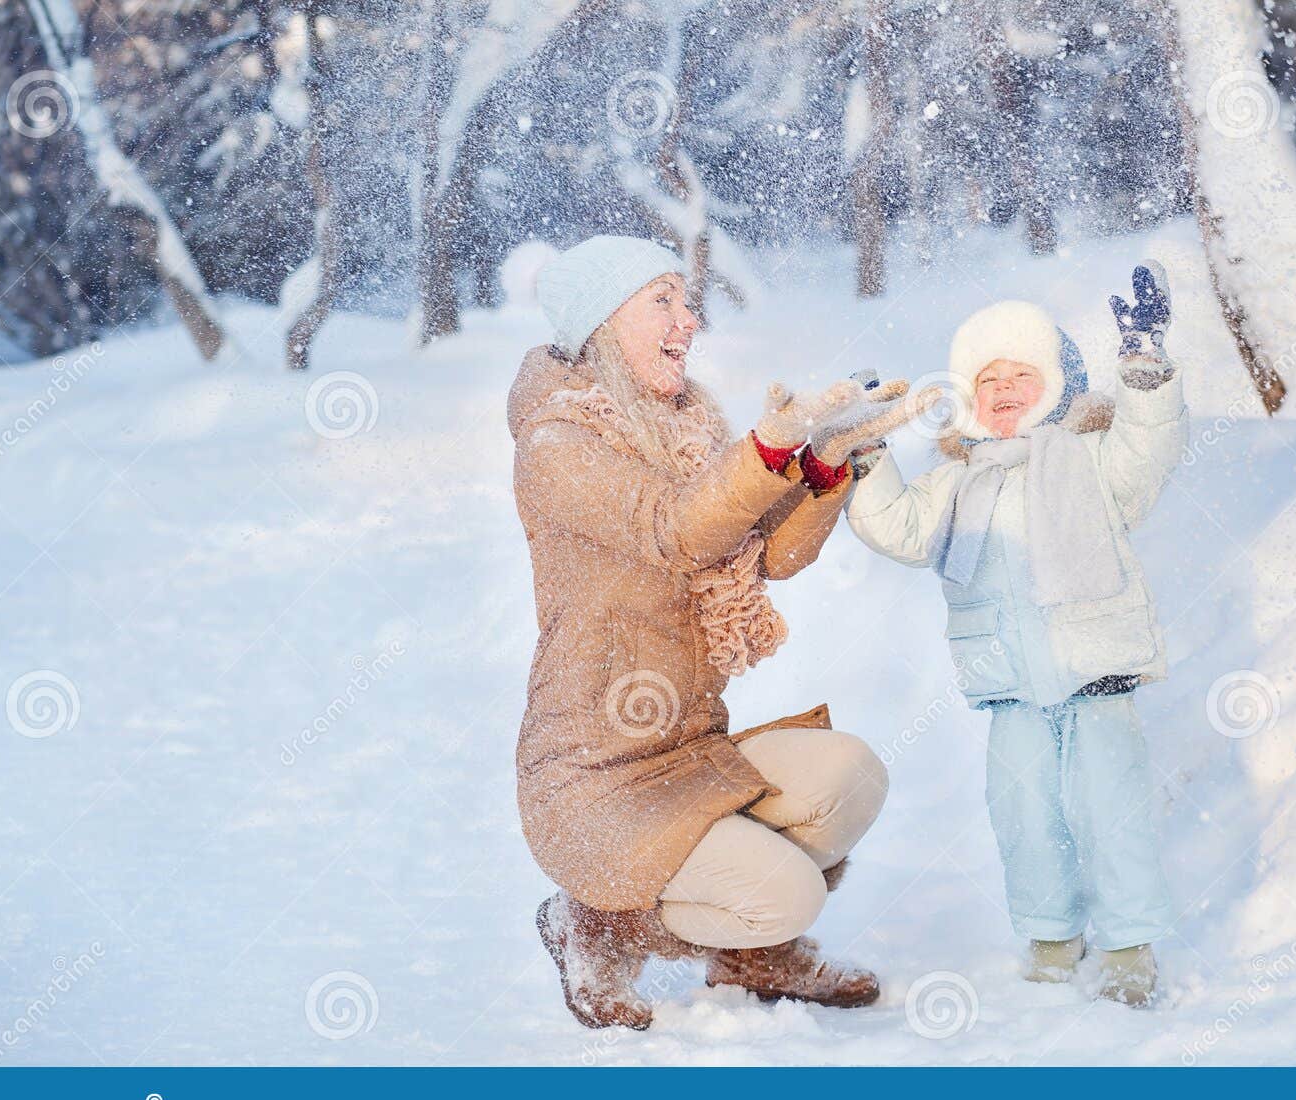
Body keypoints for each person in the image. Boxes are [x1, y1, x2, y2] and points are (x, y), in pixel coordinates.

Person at [507, 235, 936, 1030]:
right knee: (787, 893)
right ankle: (595, 920)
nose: (689, 319)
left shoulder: (685, 428)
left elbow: (768, 551)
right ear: (603, 321)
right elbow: (678, 529)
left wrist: (826, 461)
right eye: (661, 301)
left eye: (687, 299)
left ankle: (749, 951)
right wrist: (767, 448)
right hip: (594, 780)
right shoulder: (555, 443)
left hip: (689, 750)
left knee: (853, 775)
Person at [844, 265, 1187, 1006]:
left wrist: (1146, 368)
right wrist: (866, 451)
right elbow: (895, 527)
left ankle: (1129, 943)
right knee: (1024, 815)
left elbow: (1148, 451)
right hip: (1009, 687)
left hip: (1096, 674)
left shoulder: (1092, 460)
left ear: (1059, 385)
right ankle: (1052, 932)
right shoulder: (956, 483)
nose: (1003, 387)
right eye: (988, 376)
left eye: (1021, 373)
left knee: (1111, 810)